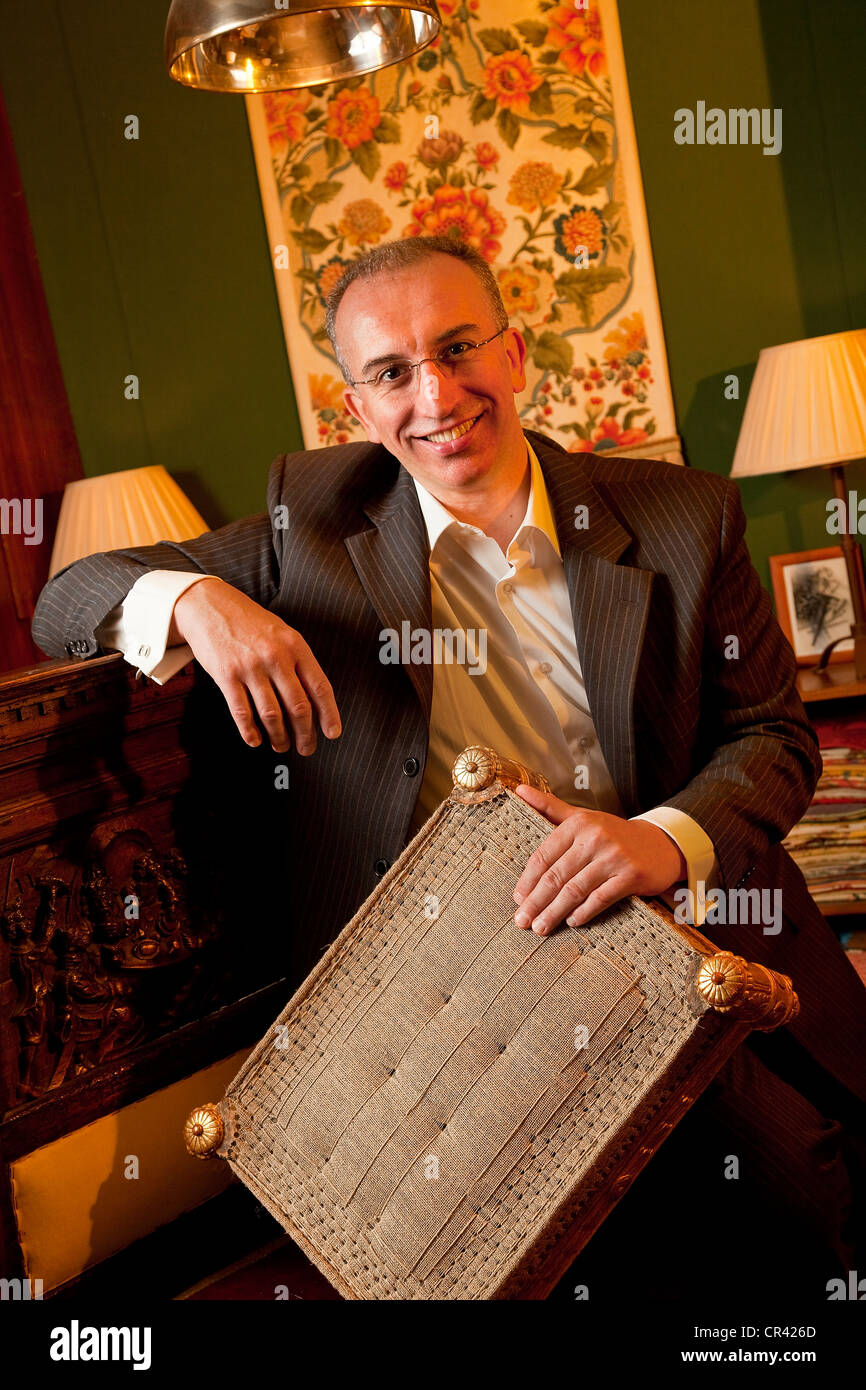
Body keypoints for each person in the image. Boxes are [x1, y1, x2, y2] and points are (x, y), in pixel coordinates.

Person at [32, 234, 865, 1301]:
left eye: (458, 347)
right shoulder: (313, 521)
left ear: (514, 355)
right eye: (390, 372)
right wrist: (192, 597)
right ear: (357, 405)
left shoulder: (678, 515)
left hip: (667, 934)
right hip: (442, 1001)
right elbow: (69, 600)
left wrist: (657, 839)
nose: (434, 393)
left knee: (793, 1200)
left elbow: (772, 733)